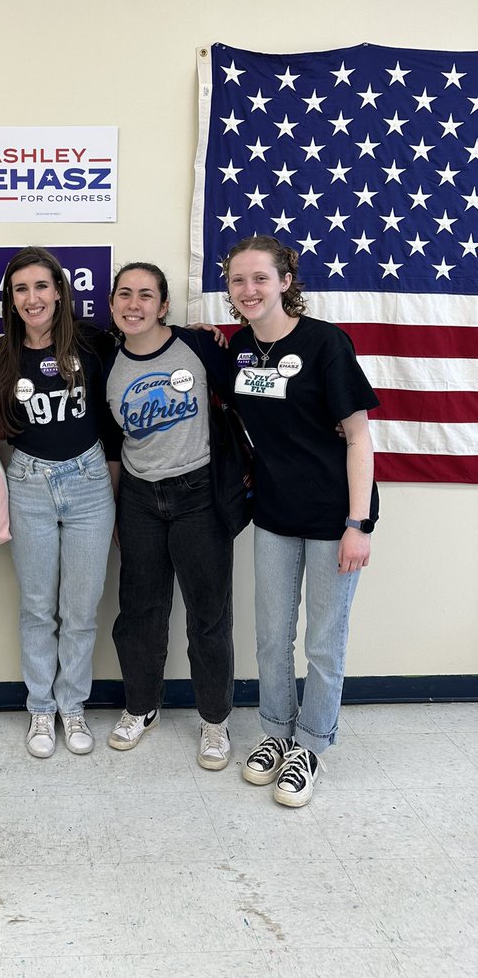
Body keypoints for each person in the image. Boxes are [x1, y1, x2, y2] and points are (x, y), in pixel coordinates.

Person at [223, 235, 378, 807]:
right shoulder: (239, 347)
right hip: (275, 512)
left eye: (260, 278)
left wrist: (357, 523)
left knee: (323, 640)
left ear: (286, 281)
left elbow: (360, 436)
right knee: (271, 635)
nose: (249, 290)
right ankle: (274, 732)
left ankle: (310, 745)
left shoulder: (325, 344)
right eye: (238, 280)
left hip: (335, 516)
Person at [0, 247, 120, 758]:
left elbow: (110, 420)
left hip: (89, 482)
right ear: (11, 299)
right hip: (29, 483)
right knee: (38, 607)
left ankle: (72, 705)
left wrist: (110, 491)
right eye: (21, 289)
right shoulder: (1, 355)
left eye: (42, 286)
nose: (33, 297)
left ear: (60, 291)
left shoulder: (94, 343)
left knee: (81, 609)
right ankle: (40, 708)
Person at [104, 262, 237, 770]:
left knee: (208, 614)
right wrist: (116, 508)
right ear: (113, 304)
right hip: (139, 497)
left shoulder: (198, 347)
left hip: (199, 493)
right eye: (124, 294)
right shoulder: (105, 358)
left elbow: (246, 399)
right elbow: (113, 442)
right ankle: (141, 707)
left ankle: (214, 720)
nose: (133, 304)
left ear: (163, 306)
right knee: (140, 609)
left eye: (145, 295)